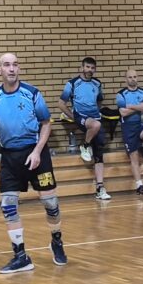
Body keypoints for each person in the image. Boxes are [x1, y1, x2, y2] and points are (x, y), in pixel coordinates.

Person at [0, 53, 67, 274]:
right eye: (6, 65)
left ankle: (56, 240)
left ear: (19, 69)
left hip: (36, 154)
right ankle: (21, 256)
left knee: (51, 203)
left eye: (15, 65)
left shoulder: (32, 93)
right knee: (8, 205)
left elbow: (46, 123)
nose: (11, 69)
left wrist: (37, 151)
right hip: (10, 157)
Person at [60, 56, 110, 201]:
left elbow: (99, 101)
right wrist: (73, 116)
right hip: (80, 116)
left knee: (99, 153)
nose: (90, 70)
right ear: (82, 67)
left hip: (94, 117)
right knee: (96, 125)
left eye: (92, 68)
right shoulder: (72, 84)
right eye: (87, 67)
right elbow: (61, 103)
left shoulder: (97, 83)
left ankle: (100, 188)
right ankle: (85, 145)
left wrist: (96, 112)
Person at [115, 69, 143, 196]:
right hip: (128, 128)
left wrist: (131, 106)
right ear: (126, 79)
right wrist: (139, 106)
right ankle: (140, 186)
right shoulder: (121, 94)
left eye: (134, 77)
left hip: (141, 124)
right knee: (134, 158)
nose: (133, 79)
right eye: (130, 77)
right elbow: (123, 112)